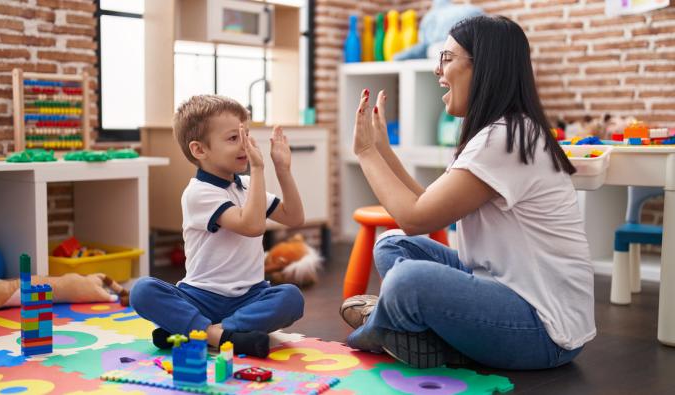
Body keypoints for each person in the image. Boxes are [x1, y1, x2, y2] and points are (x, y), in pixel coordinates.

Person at [339, 15, 595, 370]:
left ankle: (382, 324)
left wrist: (366, 153)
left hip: (543, 329)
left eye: (447, 58)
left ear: (484, 67)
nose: (437, 70)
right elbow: (426, 204)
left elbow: (416, 217)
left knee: (406, 280)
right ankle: (414, 326)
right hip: (497, 285)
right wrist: (383, 151)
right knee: (393, 245)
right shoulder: (499, 132)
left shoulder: (504, 138)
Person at [131, 95, 305, 358]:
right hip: (200, 297)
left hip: (250, 296)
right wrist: (258, 169)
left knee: (291, 298)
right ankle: (223, 336)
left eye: (245, 136)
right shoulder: (199, 193)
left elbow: (294, 217)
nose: (244, 145)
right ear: (200, 150)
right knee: (142, 290)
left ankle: (196, 331)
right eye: (233, 138)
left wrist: (283, 170)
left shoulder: (246, 186)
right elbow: (253, 225)